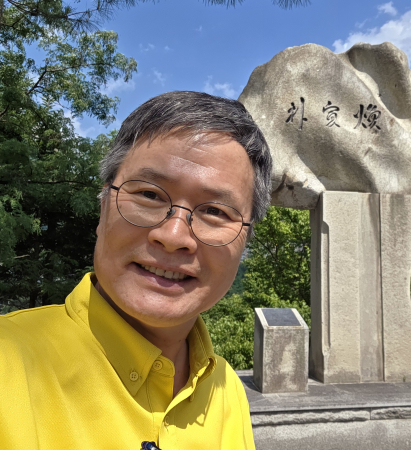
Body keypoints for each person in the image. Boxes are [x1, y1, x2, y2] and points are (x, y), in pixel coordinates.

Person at [0, 91, 272, 449]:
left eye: (215, 212)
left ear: (245, 240)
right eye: (149, 195)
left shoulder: (226, 389)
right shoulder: (9, 363)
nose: (173, 236)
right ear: (103, 209)